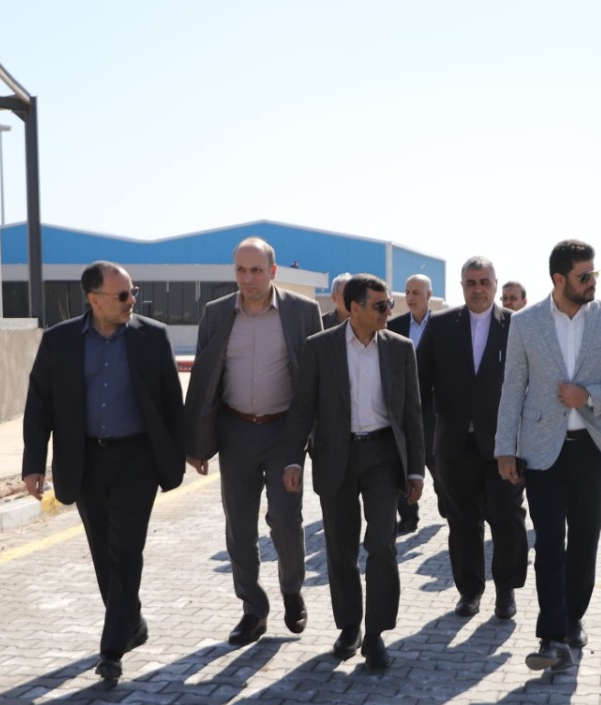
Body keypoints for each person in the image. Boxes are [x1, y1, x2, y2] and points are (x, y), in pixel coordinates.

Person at [22, 261, 185, 684]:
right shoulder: (59, 341)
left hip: (137, 461)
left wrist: (184, 452)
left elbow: (172, 402)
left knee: (126, 551)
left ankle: (112, 650)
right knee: (102, 552)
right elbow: (39, 405)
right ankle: (132, 621)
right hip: (85, 460)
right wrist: (33, 464)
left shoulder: (152, 337)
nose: (132, 301)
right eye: (123, 295)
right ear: (94, 299)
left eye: (133, 293)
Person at [495, 239, 601, 672]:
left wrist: (591, 395)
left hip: (591, 450)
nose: (592, 282)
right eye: (584, 276)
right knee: (547, 543)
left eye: (594, 274)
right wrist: (505, 448)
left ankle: (574, 615)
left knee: (584, 538)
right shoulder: (525, 322)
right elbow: (513, 387)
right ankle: (551, 634)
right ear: (559, 279)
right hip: (542, 450)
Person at [183, 236, 323, 647]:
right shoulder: (216, 313)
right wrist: (197, 442)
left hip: (285, 433)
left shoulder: (303, 312)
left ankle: (292, 590)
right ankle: (253, 609)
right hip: (236, 431)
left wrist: (317, 439)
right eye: (241, 271)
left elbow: (317, 378)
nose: (248, 279)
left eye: (256, 270)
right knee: (239, 525)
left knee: (286, 519)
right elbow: (203, 381)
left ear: (273, 272)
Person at [284, 274, 424, 670]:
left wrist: (415, 470)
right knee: (340, 549)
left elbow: (412, 413)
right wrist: (293, 459)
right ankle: (350, 626)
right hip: (336, 457)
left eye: (389, 304)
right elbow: (303, 407)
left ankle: (376, 633)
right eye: (380, 306)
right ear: (354, 307)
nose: (388, 312)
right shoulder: (320, 347)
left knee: (382, 544)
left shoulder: (400, 348)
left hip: (383, 457)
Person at [417, 257, 528, 619]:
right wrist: (426, 440)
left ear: (495, 285)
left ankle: (506, 590)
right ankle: (470, 591)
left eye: (484, 282)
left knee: (507, 517)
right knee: (463, 521)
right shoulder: (441, 325)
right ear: (462, 286)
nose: (478, 289)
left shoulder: (518, 325)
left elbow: (531, 385)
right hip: (454, 445)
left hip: (504, 446)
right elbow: (420, 383)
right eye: (470, 282)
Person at [387, 274, 443, 533]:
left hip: (434, 411)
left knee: (436, 463)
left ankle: (446, 501)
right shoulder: (394, 326)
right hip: (402, 409)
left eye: (416, 292)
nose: (410, 297)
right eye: (407, 292)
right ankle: (408, 516)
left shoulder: (443, 326)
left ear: (429, 295)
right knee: (402, 462)